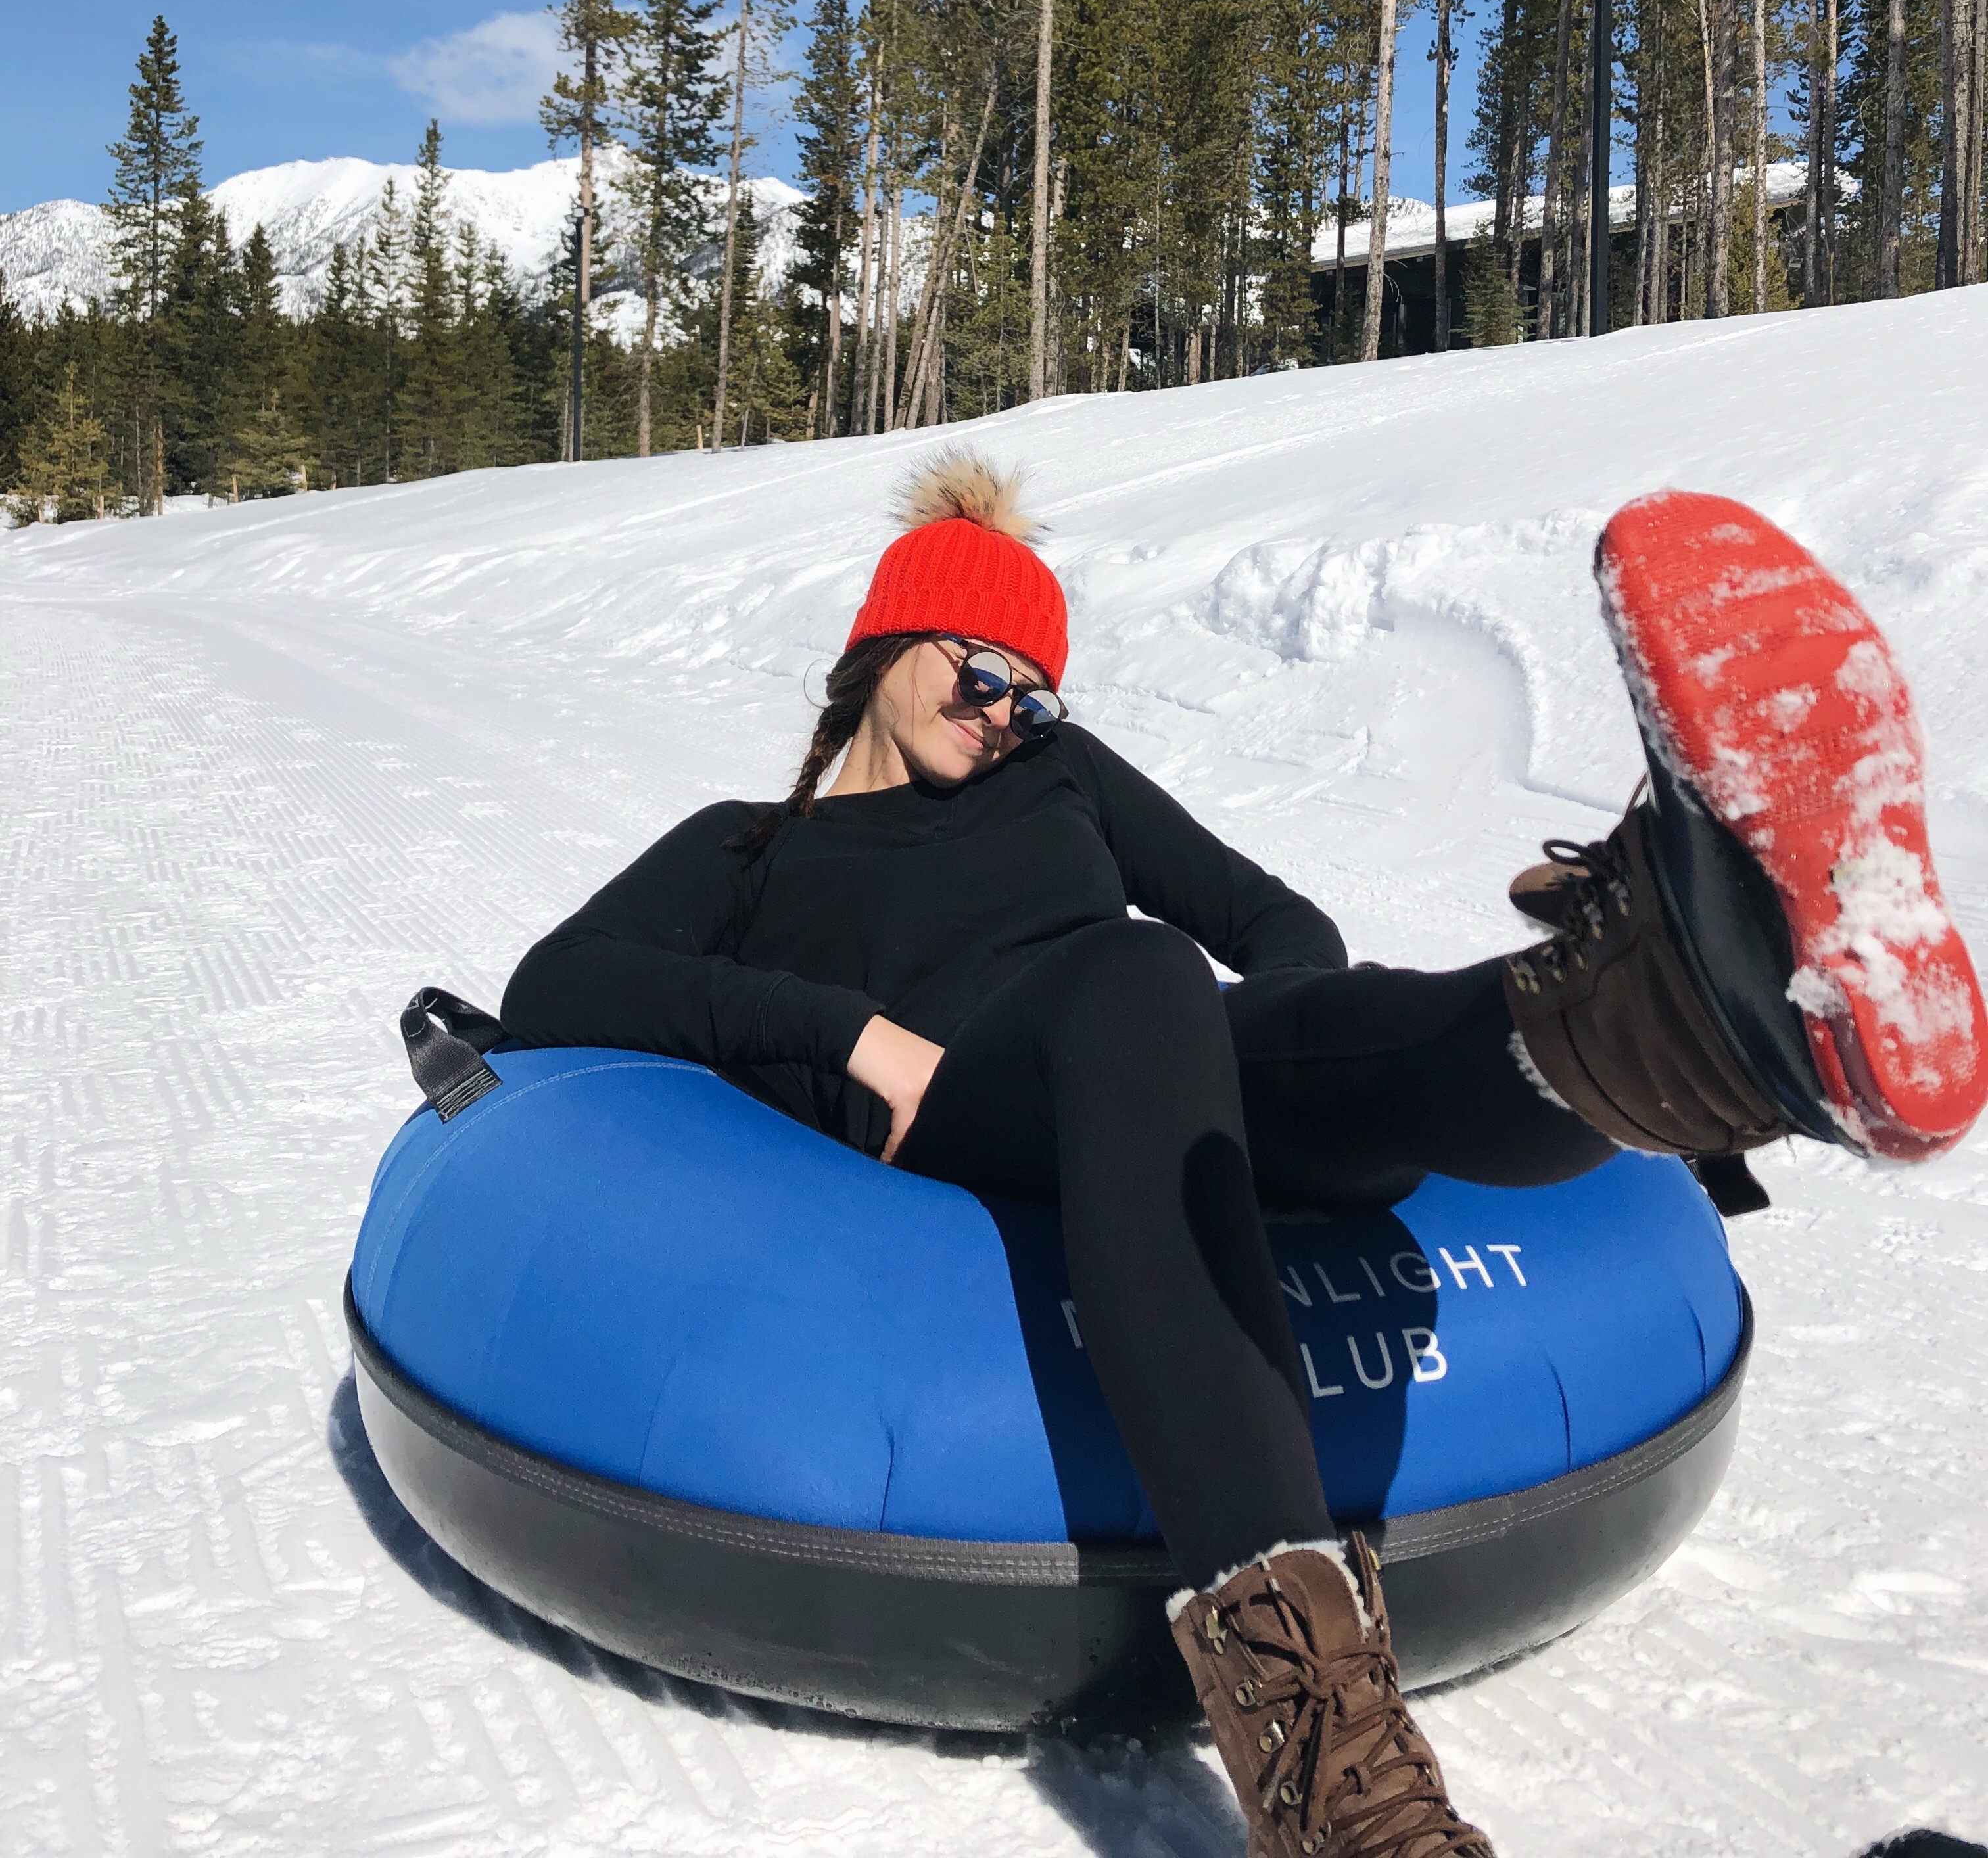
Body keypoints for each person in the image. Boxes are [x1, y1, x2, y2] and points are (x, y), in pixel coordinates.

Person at [502, 447, 1987, 1858]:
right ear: (888, 643)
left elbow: (1276, 920)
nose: (1006, 710)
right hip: (972, 1121)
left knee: (1238, 1015)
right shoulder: (749, 850)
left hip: (1151, 1080)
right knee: (1135, 969)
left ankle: (1696, 1025)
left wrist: (1276, 1037)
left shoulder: (1064, 778)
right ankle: (1331, 1777)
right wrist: (854, 1040)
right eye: (979, 669)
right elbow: (556, 984)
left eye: (1033, 688)